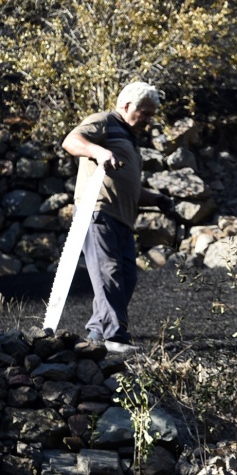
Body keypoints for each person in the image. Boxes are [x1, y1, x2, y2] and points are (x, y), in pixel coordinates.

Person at [60, 82, 167, 352]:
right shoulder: (104, 121)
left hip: (122, 219)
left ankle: (98, 332)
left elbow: (128, 186)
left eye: (151, 115)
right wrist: (99, 151)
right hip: (97, 211)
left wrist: (157, 200)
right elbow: (71, 141)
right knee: (109, 272)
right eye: (145, 113)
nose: (148, 120)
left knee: (127, 277)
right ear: (127, 106)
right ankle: (114, 337)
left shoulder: (130, 140)